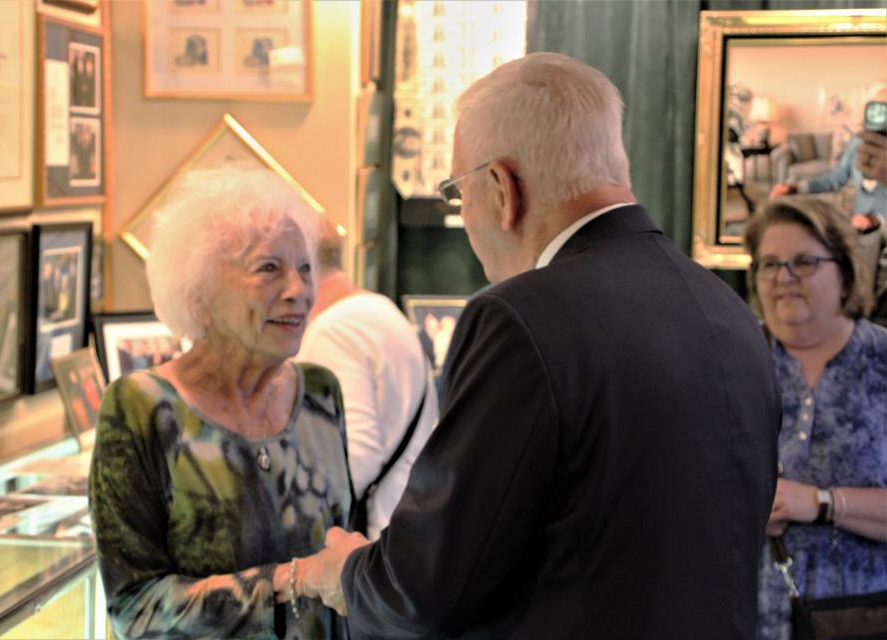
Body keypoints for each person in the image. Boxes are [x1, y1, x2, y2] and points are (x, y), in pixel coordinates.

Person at [289, 52, 781, 638]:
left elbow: (429, 584)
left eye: (456, 192)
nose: (464, 216)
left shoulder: (521, 318)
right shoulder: (726, 307)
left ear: (501, 188)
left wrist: (344, 572)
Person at [88, 167, 353, 639]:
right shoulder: (143, 408)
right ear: (200, 295)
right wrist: (287, 581)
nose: (299, 290)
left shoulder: (319, 395)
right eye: (268, 268)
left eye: (305, 267)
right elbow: (136, 608)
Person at [742, 197, 887, 640]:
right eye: (769, 264)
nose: (783, 278)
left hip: (864, 617)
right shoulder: (731, 362)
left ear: (844, 273)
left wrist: (822, 502)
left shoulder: (881, 360)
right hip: (749, 616)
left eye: (803, 262)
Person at [294, 218, 438, 541]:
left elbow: (356, 458)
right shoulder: (380, 309)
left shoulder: (334, 330)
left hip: (373, 540)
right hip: (409, 528)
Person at [770, 91, 887, 326]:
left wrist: (877, 220)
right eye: (877, 108)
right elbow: (836, 178)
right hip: (862, 232)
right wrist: (795, 187)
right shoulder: (858, 142)